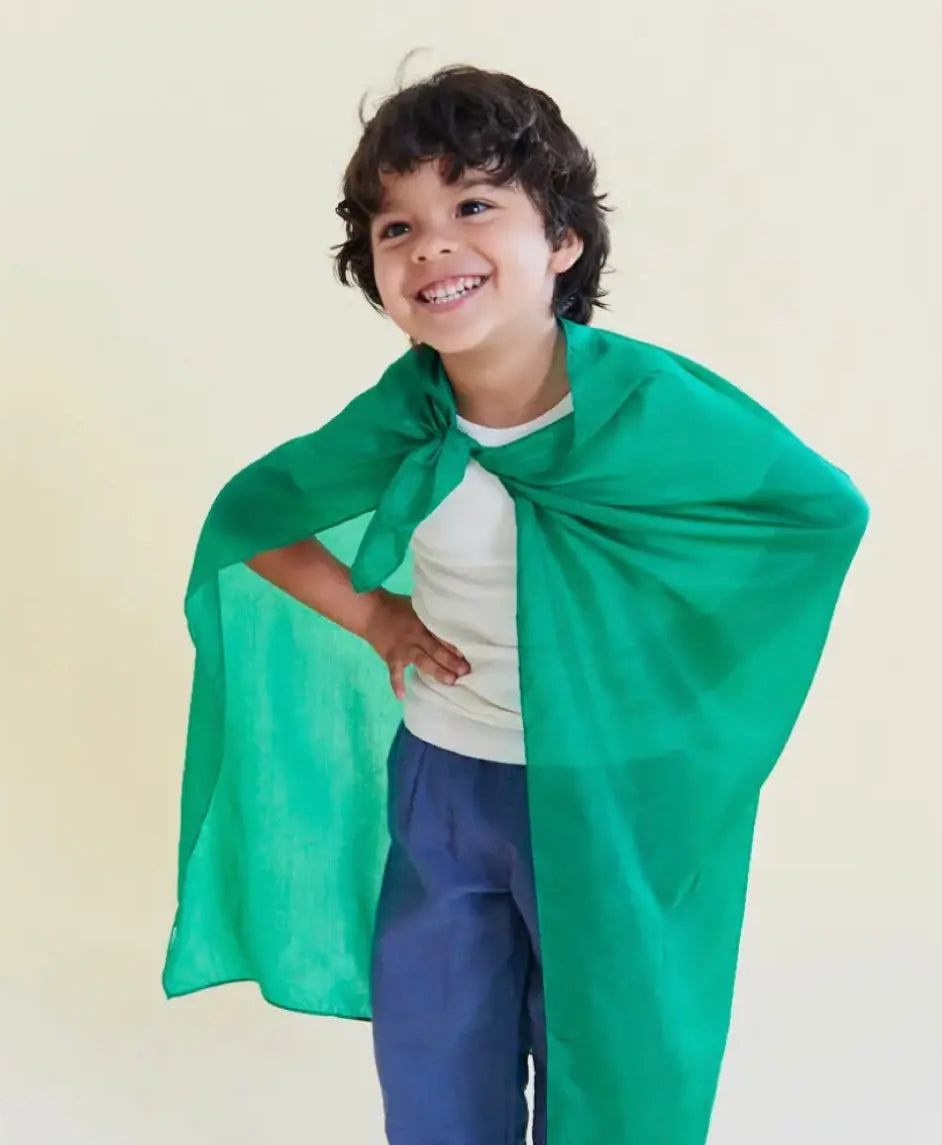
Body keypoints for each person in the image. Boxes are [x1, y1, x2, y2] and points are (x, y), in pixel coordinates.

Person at [161, 64, 869, 1145]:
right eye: (398, 227)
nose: (432, 244)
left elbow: (816, 512)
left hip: (610, 797)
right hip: (447, 785)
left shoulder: (644, 407)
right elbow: (251, 518)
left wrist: (678, 700)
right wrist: (381, 617)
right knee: (438, 1064)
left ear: (564, 244)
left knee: (617, 1071)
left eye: (474, 206)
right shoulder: (410, 412)